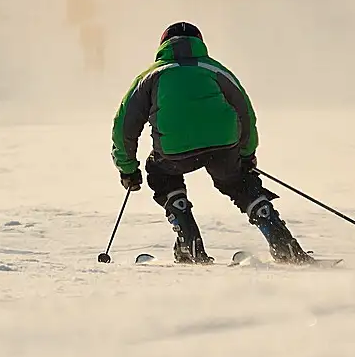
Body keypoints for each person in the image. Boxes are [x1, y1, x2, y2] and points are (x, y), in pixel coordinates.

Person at [111, 21, 313, 265]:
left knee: (160, 172)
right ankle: (282, 243)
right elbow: (245, 113)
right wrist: (247, 155)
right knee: (239, 183)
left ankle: (188, 239)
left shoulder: (151, 75)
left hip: (174, 151)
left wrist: (128, 169)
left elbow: (124, 126)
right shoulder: (216, 70)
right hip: (224, 145)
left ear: (163, 44)